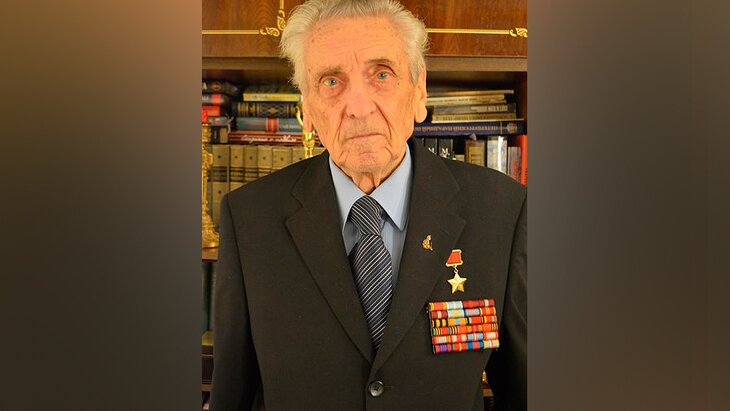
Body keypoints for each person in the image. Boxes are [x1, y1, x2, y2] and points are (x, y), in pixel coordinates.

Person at [210, 1, 526, 410]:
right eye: (331, 81)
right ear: (307, 107)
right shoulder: (249, 218)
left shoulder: (502, 210)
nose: (358, 106)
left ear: (419, 90)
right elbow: (232, 395)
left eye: (381, 74)